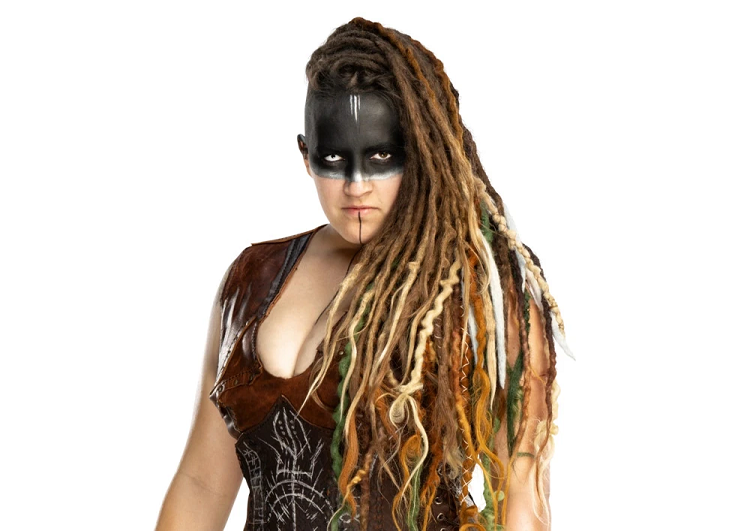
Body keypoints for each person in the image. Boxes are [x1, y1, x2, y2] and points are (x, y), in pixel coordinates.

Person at [156, 17, 572, 531]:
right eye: (334, 158)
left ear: (419, 150)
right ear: (306, 155)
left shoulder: (481, 285)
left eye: (380, 156)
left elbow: (522, 499)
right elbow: (201, 484)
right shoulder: (250, 280)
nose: (356, 185)